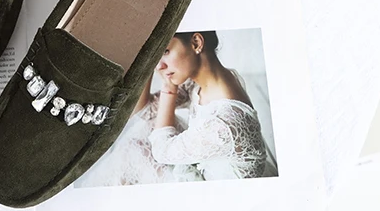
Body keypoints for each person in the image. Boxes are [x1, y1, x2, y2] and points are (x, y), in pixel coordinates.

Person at [77, 31, 268, 187]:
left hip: (218, 197)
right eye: (156, 56)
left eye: (165, 51)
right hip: (205, 168)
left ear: (196, 43)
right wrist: (145, 61)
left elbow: (161, 152)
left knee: (131, 151)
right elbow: (145, 112)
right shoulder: (207, 82)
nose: (158, 66)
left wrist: (169, 88)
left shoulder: (223, 122)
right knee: (139, 137)